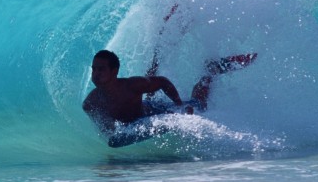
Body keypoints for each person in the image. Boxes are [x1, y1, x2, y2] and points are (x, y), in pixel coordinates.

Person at [82, 49, 256, 135]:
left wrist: (179, 104)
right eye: (94, 69)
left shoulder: (130, 85)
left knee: (198, 105)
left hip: (155, 111)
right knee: (148, 86)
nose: (95, 74)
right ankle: (157, 56)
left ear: (114, 72)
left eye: (101, 70)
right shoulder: (90, 103)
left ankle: (209, 72)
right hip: (139, 115)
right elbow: (105, 126)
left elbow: (163, 82)